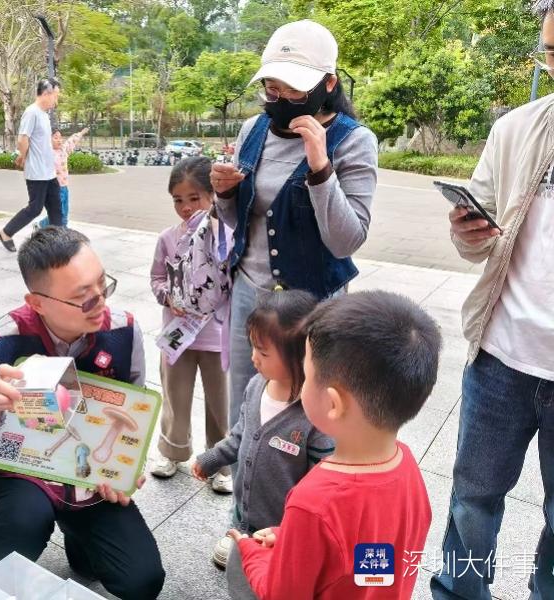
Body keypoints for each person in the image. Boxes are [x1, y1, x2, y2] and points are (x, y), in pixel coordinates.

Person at [0, 227, 165, 600]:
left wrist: (128, 467)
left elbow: (135, 408)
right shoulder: (2, 342)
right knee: (19, 537)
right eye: (83, 298)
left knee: (142, 581)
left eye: (102, 286)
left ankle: (81, 537)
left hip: (89, 474)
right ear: (37, 302)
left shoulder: (124, 329)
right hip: (24, 471)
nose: (101, 304)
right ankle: (38, 535)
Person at [209, 20, 378, 469]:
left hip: (314, 303)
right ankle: (243, 523)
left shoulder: (354, 141)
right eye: (271, 87)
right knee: (247, 407)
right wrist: (224, 193)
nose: (279, 98)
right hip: (250, 293)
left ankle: (300, 524)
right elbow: (236, 222)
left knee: (312, 415)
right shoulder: (253, 130)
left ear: (328, 84)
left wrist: (321, 167)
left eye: (294, 90)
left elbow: (346, 240)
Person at [431, 3, 554, 597]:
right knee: (472, 502)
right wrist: (467, 230)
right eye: (553, 55)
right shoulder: (516, 128)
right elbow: (472, 234)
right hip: (501, 357)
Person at [230, 290, 440, 599]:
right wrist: (288, 538)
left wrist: (252, 552)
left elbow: (280, 594)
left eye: (307, 368)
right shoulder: (406, 468)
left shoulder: (312, 502)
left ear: (332, 403)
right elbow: (372, 563)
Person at [192, 289, 334, 588]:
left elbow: (320, 482)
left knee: (273, 587)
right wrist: (211, 459)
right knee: (240, 579)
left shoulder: (314, 415)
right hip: (243, 517)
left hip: (282, 531)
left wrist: (293, 530)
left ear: (301, 356)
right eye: (252, 347)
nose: (253, 358)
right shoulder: (257, 386)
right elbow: (240, 436)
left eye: (264, 352)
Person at [149, 156, 233, 493]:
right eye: (178, 200)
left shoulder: (227, 236)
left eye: (194, 198)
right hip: (178, 336)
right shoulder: (168, 238)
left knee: (221, 403)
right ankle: (172, 450)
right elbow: (157, 277)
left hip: (215, 336)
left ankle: (220, 463)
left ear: (213, 195)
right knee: (175, 395)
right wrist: (166, 296)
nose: (185, 207)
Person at [0, 78, 62, 252]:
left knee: (56, 209)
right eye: (56, 96)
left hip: (49, 172)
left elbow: (39, 138)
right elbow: (23, 138)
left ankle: (59, 243)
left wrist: (51, 145)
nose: (56, 100)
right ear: (46, 94)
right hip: (37, 173)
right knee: (35, 208)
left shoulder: (44, 115)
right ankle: (5, 232)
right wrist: (22, 156)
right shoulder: (31, 112)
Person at [37, 127, 89, 229]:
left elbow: (71, 141)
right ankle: (61, 232)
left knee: (64, 213)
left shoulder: (63, 150)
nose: (59, 140)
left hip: (64, 187)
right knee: (60, 214)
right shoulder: (46, 153)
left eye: (60, 138)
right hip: (54, 189)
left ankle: (43, 225)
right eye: (56, 138)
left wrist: (81, 133)